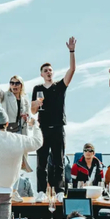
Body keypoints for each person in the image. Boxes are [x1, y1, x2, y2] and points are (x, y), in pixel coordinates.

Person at [31, 37, 77, 194]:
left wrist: (72, 51)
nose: (48, 72)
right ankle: (41, 192)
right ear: (41, 74)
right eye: (45, 70)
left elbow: (72, 70)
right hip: (43, 128)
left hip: (58, 127)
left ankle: (59, 191)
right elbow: (32, 110)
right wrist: (36, 104)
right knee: (41, 162)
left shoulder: (60, 86)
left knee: (59, 161)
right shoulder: (37, 88)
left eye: (50, 70)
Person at [0, 67, 32, 134]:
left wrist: (26, 117)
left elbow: (29, 115)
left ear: (21, 85)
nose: (14, 85)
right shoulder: (5, 96)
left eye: (17, 83)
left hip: (21, 129)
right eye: (12, 83)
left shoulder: (24, 99)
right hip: (8, 129)